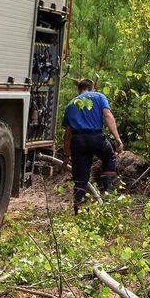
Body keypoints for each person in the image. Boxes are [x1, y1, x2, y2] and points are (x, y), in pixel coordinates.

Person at [60, 77, 124, 211]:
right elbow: (108, 116)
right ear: (93, 87)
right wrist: (117, 139)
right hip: (96, 137)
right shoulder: (99, 96)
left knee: (80, 178)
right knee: (109, 157)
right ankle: (108, 195)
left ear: (78, 89)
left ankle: (79, 211)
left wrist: (66, 156)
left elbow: (67, 135)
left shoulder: (71, 104)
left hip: (78, 141)